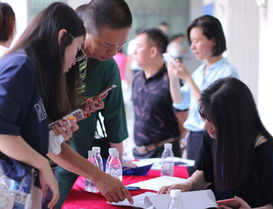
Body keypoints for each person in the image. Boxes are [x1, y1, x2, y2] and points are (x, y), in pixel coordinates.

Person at [0, 2, 87, 208]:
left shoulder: (32, 71)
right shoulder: (21, 66)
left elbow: (20, 132)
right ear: (61, 37)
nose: (75, 60)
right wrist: (42, 165)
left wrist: (51, 138)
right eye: (76, 49)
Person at [159, 77, 273, 209]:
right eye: (204, 119)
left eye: (212, 121)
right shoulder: (212, 135)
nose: (206, 127)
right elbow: (207, 171)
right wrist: (190, 183)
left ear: (235, 120)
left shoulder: (263, 149)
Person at [55, 0, 135, 207]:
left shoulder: (107, 66)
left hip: (73, 159)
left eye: (121, 46)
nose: (114, 53)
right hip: (43, 160)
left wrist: (80, 110)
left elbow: (114, 117)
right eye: (107, 45)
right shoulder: (42, 64)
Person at [167, 15, 239, 167]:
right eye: (191, 42)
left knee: (209, 186)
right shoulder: (200, 71)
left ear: (213, 40)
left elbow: (211, 109)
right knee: (192, 183)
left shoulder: (228, 72)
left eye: (196, 41)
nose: (192, 47)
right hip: (194, 137)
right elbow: (180, 102)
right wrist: (173, 77)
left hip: (213, 137)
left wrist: (188, 78)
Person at [131, 28, 181, 158]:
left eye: (139, 47)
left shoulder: (172, 80)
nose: (134, 52)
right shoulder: (137, 78)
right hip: (138, 154)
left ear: (153, 51)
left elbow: (183, 120)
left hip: (164, 154)